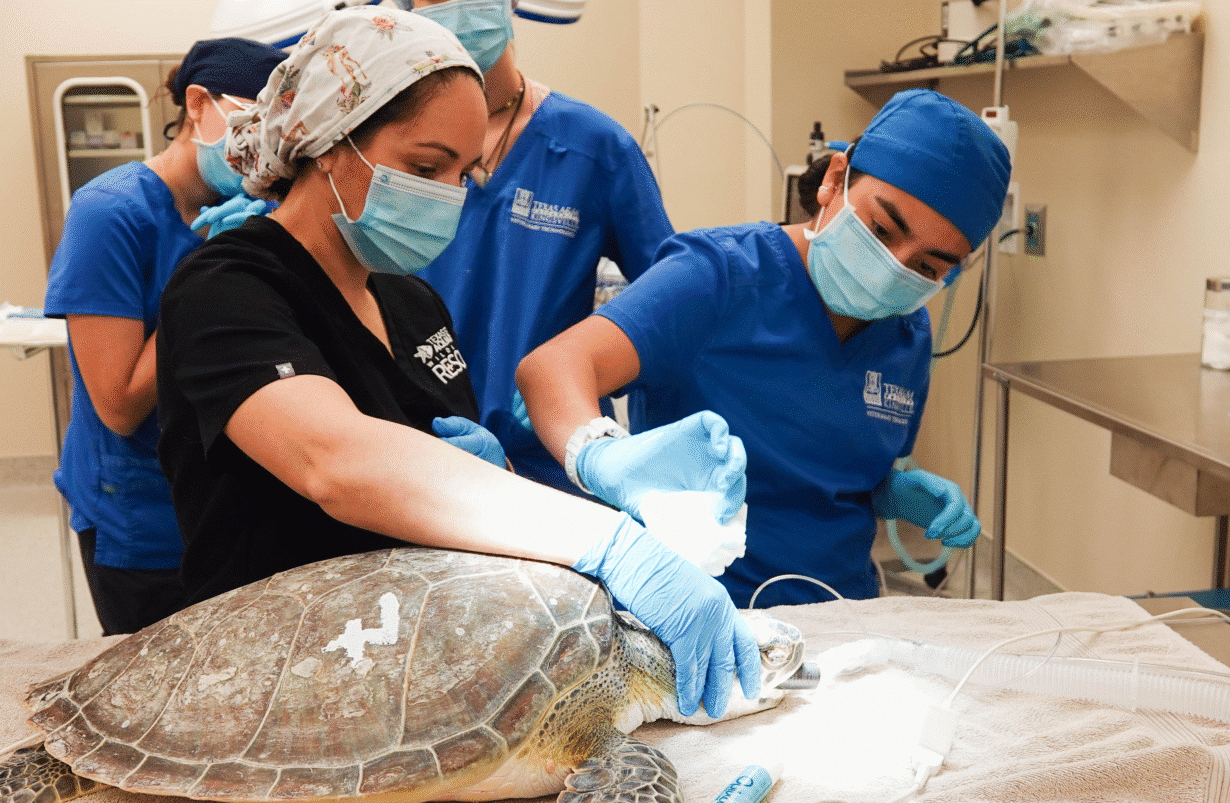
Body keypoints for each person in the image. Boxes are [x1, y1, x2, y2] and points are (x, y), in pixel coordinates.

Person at [154, 5, 757, 720]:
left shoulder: (414, 305)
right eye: (425, 167)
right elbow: (334, 461)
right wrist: (611, 544)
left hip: (408, 687)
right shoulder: (226, 290)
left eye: (463, 172)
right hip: (271, 693)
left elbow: (460, 498)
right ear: (328, 140)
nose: (449, 196)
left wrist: (505, 471)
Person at [516, 89, 1012, 608]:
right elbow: (552, 367)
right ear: (835, 180)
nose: (895, 268)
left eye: (928, 268)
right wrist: (602, 455)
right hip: (703, 611)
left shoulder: (907, 335)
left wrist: (892, 491)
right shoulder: (718, 276)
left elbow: (842, 467)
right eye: (883, 230)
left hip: (844, 615)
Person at [42, 37, 287, 636]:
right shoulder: (112, 213)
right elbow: (119, 403)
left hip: (234, 509)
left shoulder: (257, 211)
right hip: (143, 525)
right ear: (199, 105)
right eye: (252, 123)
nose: (263, 150)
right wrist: (206, 274)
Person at [397, 0, 678, 494]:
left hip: (552, 463)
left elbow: (671, 303)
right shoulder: (396, 147)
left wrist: (598, 370)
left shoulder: (593, 147)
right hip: (425, 454)